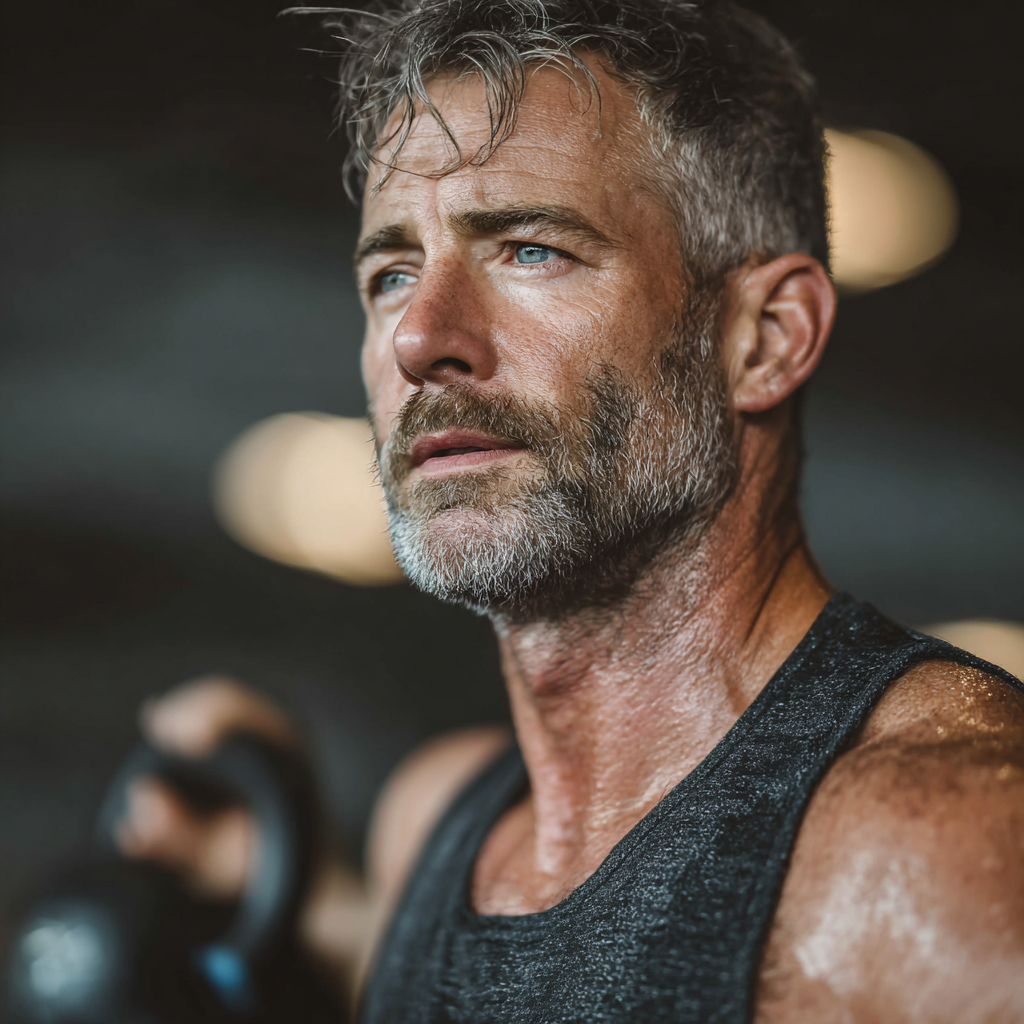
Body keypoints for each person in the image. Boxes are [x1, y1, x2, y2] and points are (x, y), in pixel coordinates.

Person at [117, 0, 1024, 1020]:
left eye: (529, 250)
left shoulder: (946, 838)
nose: (419, 338)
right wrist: (272, 876)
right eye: (392, 272)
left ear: (763, 339)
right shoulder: (440, 823)